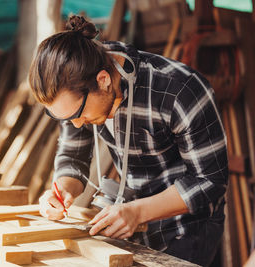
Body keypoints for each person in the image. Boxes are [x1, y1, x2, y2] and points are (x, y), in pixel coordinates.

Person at [28, 15, 228, 267]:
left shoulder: (181, 91)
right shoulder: (76, 85)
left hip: (187, 227)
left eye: (77, 116)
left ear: (103, 80)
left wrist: (138, 211)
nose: (76, 124)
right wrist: (63, 190)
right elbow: (72, 157)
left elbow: (209, 182)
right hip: (131, 219)